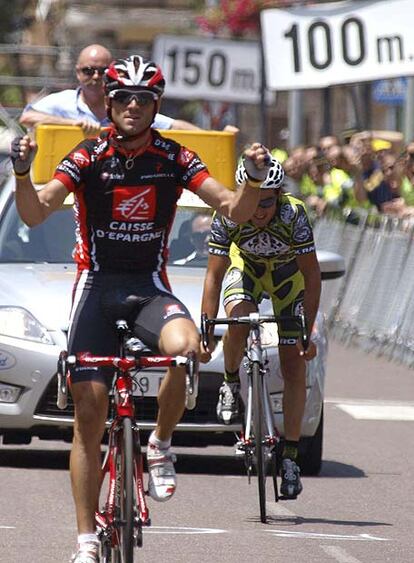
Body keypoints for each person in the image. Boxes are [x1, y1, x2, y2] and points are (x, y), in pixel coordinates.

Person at [10, 55, 271, 563]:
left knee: (186, 351)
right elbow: (36, 212)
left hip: (149, 287)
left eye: (144, 99)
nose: (133, 106)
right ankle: (86, 539)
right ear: (109, 103)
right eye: (123, 98)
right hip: (97, 289)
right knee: (88, 413)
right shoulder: (87, 156)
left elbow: (236, 210)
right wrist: (22, 172)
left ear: (156, 105)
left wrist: (253, 177)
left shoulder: (176, 158)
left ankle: (160, 443)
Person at [200, 157, 321, 499]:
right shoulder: (229, 213)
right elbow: (213, 275)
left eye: (268, 201)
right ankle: (229, 382)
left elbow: (312, 277)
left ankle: (292, 457)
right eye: (254, 200)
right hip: (248, 271)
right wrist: (206, 331)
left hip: (288, 278)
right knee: (239, 317)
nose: (260, 210)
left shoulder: (293, 214)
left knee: (294, 361)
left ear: (279, 197)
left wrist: (307, 333)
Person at [19, 44, 201, 135]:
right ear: (77, 73)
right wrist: (73, 124)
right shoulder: (62, 101)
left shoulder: (123, 108)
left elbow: (174, 125)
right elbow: (27, 117)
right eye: (88, 71)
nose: (96, 77)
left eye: (102, 71)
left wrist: (222, 139)